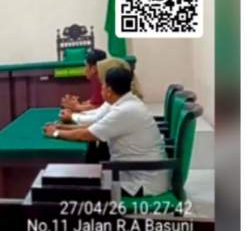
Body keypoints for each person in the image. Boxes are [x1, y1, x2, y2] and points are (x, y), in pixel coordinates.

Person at [43, 67, 169, 197]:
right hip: (134, 170)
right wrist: (61, 127)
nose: (101, 89)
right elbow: (96, 125)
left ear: (109, 90)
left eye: (102, 86)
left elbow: (86, 135)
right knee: (90, 165)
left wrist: (56, 133)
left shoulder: (124, 110)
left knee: (79, 189)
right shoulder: (127, 102)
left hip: (141, 181)